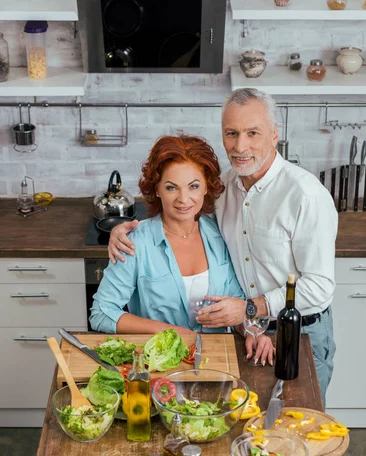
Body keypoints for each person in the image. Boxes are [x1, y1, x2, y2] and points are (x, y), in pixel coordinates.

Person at [108, 89, 338, 404]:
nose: (240, 146)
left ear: (274, 135)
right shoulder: (223, 189)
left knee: (300, 425)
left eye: (252, 133)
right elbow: (180, 210)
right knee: (249, 427)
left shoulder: (305, 195)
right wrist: (123, 230)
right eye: (231, 133)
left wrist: (248, 309)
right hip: (247, 335)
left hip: (298, 333)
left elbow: (321, 287)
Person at [90, 133, 275, 365]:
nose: (183, 199)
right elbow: (102, 312)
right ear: (156, 189)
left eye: (193, 186)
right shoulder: (136, 242)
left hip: (214, 362)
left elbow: (235, 305)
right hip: (156, 366)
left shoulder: (221, 234)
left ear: (206, 187)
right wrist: (170, 331)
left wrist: (252, 331)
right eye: (171, 188)